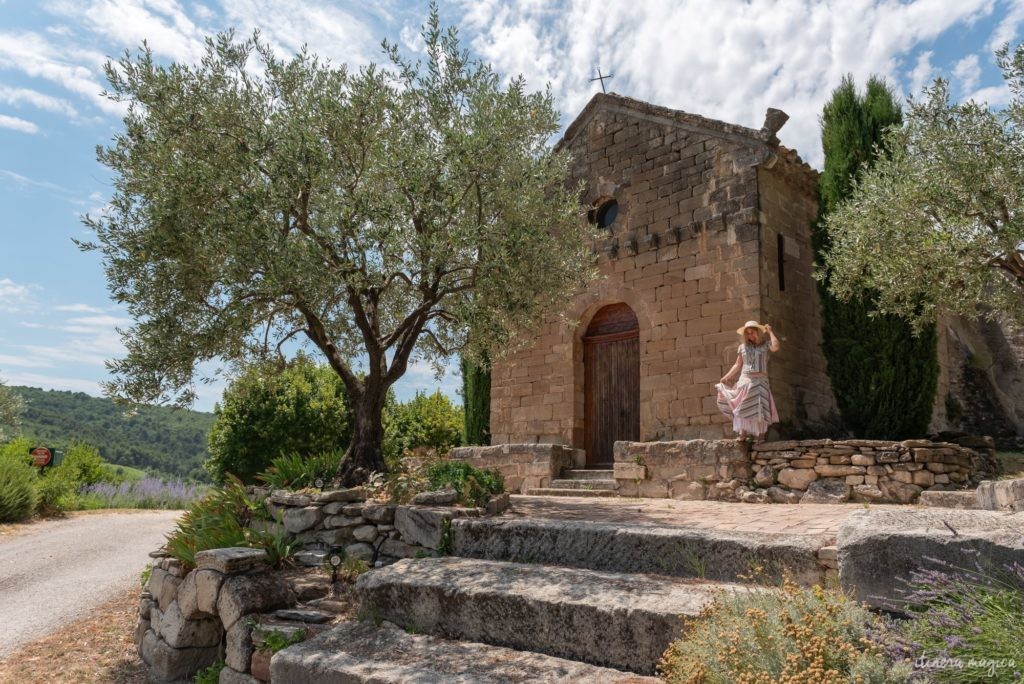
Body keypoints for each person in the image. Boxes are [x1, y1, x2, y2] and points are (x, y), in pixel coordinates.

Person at [715, 320, 780, 443]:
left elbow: (775, 347)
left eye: (752, 332)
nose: (750, 335)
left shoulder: (766, 345)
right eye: (748, 333)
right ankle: (743, 434)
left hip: (761, 381)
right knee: (743, 406)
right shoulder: (742, 348)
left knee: (760, 408)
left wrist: (770, 331)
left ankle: (761, 436)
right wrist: (726, 376)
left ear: (758, 332)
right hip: (745, 380)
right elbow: (737, 365)